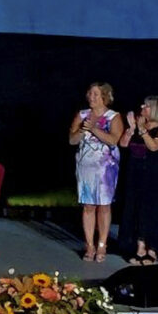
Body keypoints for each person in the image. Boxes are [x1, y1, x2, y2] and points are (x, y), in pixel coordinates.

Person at [69, 82, 123, 262]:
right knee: (88, 206)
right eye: (90, 93)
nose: (91, 97)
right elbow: (72, 140)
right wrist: (82, 130)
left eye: (95, 94)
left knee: (104, 206)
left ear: (104, 97)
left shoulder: (113, 117)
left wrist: (93, 128)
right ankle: (89, 245)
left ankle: (102, 244)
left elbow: (113, 140)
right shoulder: (82, 115)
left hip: (105, 168)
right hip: (85, 166)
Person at [120, 96, 158, 265]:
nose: (142, 107)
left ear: (155, 110)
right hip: (135, 173)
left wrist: (141, 130)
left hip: (155, 177)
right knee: (136, 209)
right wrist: (131, 129)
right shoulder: (139, 126)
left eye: (146, 106)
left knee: (152, 210)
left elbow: (153, 147)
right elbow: (123, 144)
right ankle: (139, 247)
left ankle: (152, 249)